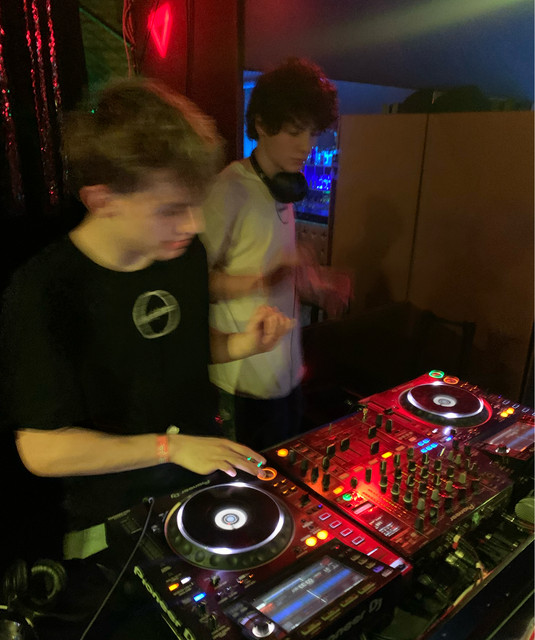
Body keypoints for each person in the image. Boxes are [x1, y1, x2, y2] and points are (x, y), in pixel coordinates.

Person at [0, 77, 293, 548]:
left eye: (196, 204)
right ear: (102, 201)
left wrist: (245, 343)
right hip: (112, 513)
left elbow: (184, 348)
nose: (194, 223)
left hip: (198, 481)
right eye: (171, 209)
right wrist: (168, 447)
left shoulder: (182, 254)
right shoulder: (43, 289)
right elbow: (41, 449)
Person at [201, 57, 346, 451]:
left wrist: (314, 284)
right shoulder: (229, 191)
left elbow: (268, 264)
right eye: (295, 132)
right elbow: (194, 283)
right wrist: (264, 280)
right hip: (244, 384)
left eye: (312, 133)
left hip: (285, 374)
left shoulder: (284, 186)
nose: (307, 146)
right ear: (262, 125)